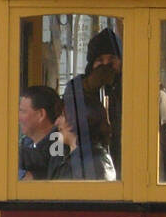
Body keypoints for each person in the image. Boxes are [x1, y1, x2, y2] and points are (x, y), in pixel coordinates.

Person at [61, 27, 122, 179]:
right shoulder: (77, 89)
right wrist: (90, 85)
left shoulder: (131, 89)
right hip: (90, 171)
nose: (105, 66)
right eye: (100, 61)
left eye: (111, 60)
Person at [18, 85, 61, 180]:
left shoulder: (58, 147)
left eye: (23, 111)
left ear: (41, 114)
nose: (18, 117)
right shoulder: (28, 142)